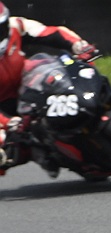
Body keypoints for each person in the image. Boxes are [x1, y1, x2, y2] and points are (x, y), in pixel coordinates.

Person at [0, 2, 99, 176]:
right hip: (6, 109)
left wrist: (79, 46)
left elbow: (51, 32)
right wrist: (8, 122)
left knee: (77, 73)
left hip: (31, 84)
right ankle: (48, 156)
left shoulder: (17, 25)